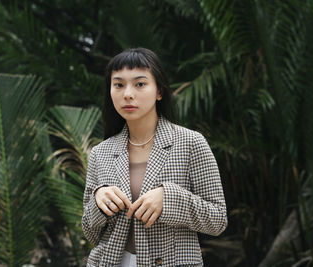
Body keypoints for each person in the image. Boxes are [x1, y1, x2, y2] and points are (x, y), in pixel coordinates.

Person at [82, 48, 227, 267]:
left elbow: (217, 219)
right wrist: (98, 201)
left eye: (140, 84)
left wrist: (169, 198)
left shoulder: (191, 143)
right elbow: (90, 233)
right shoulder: (100, 153)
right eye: (119, 85)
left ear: (159, 91)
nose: (128, 94)